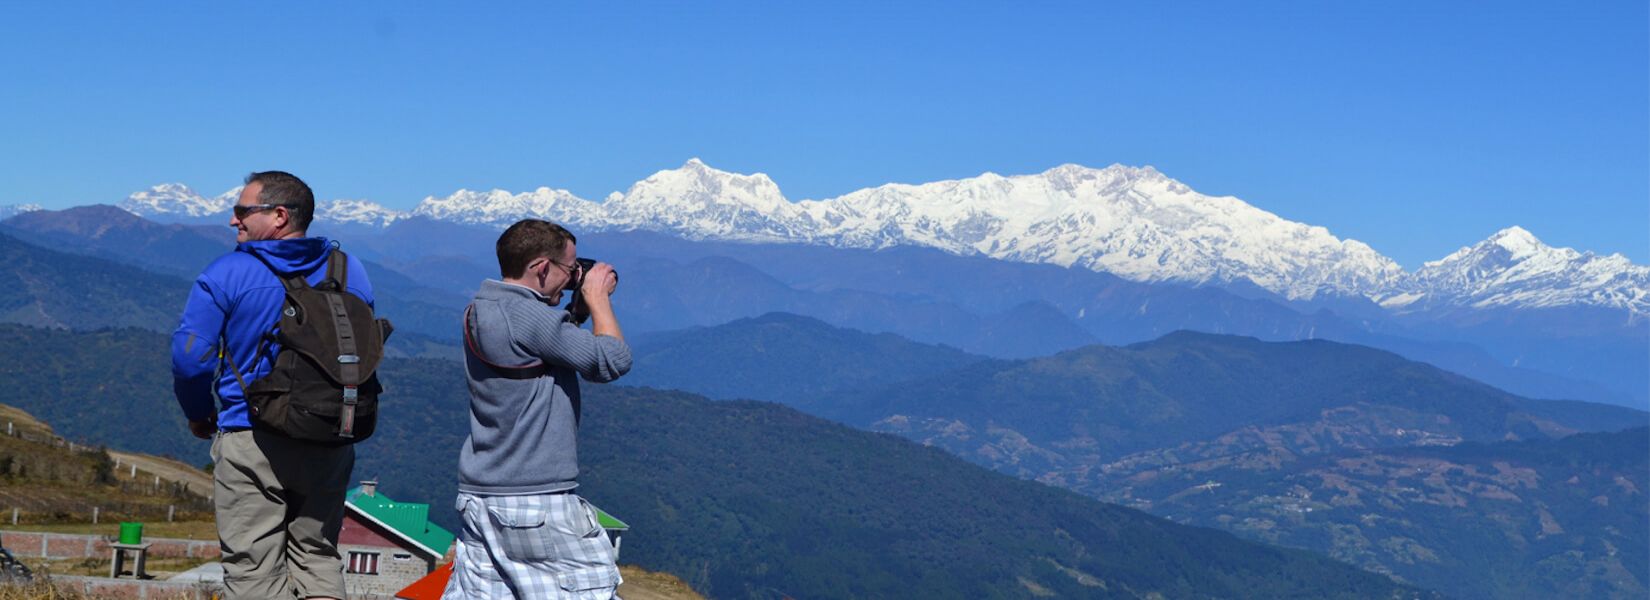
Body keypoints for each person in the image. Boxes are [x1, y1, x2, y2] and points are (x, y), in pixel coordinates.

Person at [171, 171, 372, 599]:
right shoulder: (349, 270)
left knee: (253, 568)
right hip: (330, 434)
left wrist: (198, 414)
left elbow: (190, 358)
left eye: (243, 211)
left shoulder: (229, 271)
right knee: (318, 556)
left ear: (279, 215)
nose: (232, 220)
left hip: (252, 435)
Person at [443, 219, 631, 599]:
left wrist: (571, 314)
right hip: (535, 502)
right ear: (542, 267)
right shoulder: (530, 316)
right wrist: (598, 300)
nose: (574, 276)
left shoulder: (482, 307)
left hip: (482, 497)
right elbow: (611, 360)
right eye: (569, 269)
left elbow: (539, 346)